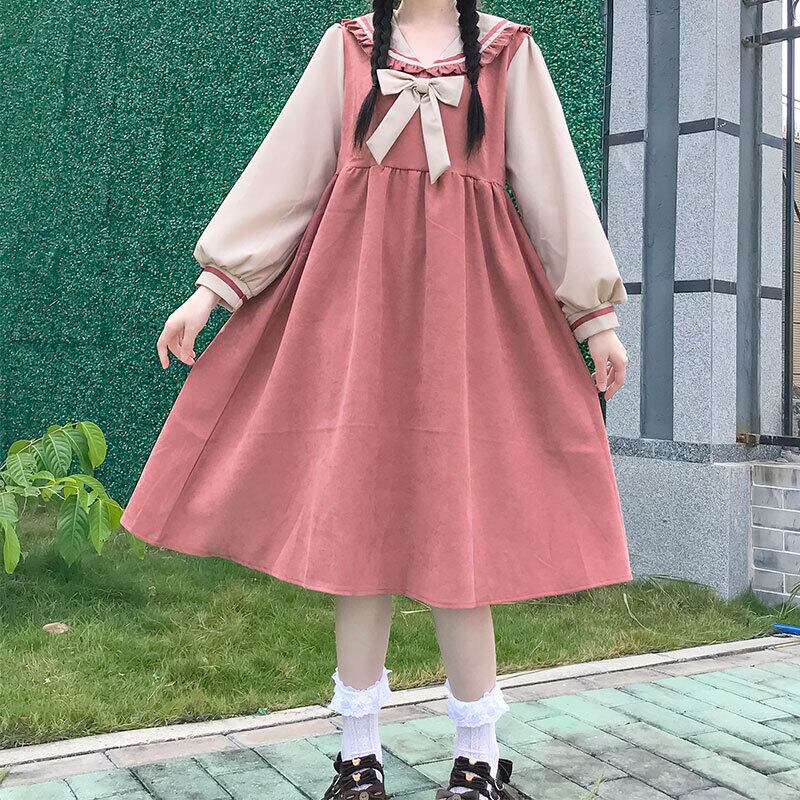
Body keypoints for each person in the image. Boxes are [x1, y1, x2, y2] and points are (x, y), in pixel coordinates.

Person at [120, 1, 632, 798]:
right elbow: (286, 175)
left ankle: (476, 758)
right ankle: (358, 758)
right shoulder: (347, 49)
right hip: (355, 317)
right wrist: (210, 291)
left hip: (467, 322)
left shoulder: (507, 54)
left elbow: (553, 188)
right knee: (357, 533)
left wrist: (595, 318)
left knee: (460, 536)